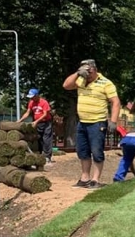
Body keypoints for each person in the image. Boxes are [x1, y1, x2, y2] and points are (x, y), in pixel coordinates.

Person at [62, 59, 121, 190]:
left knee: (97, 151)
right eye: (84, 71)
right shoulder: (81, 80)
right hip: (82, 122)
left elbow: (115, 102)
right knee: (82, 151)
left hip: (97, 122)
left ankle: (95, 180)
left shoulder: (106, 83)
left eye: (88, 71)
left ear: (94, 69)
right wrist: (78, 74)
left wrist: (113, 121)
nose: (86, 74)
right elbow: (66, 85)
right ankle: (85, 178)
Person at [18, 88, 54, 164]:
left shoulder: (44, 102)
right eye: (30, 97)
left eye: (33, 96)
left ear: (37, 95)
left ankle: (48, 157)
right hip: (37, 123)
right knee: (39, 139)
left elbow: (45, 114)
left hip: (46, 122)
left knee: (46, 139)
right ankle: (40, 156)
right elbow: (27, 113)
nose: (31, 98)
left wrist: (36, 121)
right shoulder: (31, 103)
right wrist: (20, 120)